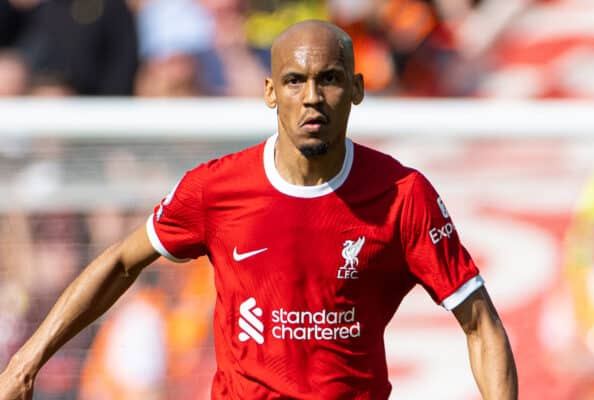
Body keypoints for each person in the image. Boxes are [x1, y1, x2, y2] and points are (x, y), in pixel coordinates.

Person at [0, 20, 518, 399]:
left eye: (330, 79)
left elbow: (481, 325)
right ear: (271, 92)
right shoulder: (216, 188)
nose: (311, 97)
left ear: (357, 90)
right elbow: (119, 261)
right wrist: (27, 362)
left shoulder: (403, 195)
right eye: (295, 81)